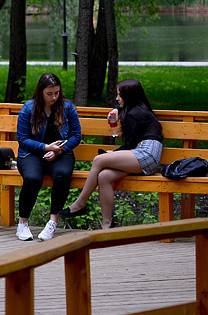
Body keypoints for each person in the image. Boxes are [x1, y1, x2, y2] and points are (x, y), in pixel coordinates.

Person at [60, 78, 163, 229]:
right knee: (104, 177)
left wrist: (112, 153)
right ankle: (107, 225)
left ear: (128, 96)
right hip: (141, 153)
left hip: (147, 154)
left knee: (99, 160)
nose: (117, 98)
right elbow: (132, 144)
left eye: (119, 95)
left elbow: (130, 144)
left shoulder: (135, 114)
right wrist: (117, 108)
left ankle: (80, 203)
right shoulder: (137, 108)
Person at [15, 73, 82, 241]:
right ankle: (22, 222)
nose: (54, 97)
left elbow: (76, 135)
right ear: (40, 92)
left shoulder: (67, 107)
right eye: (49, 93)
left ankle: (53, 221)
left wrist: (59, 149)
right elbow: (22, 140)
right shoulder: (28, 108)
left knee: (62, 174)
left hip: (61, 153)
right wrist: (45, 147)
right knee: (32, 178)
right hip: (32, 153)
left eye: (57, 93)